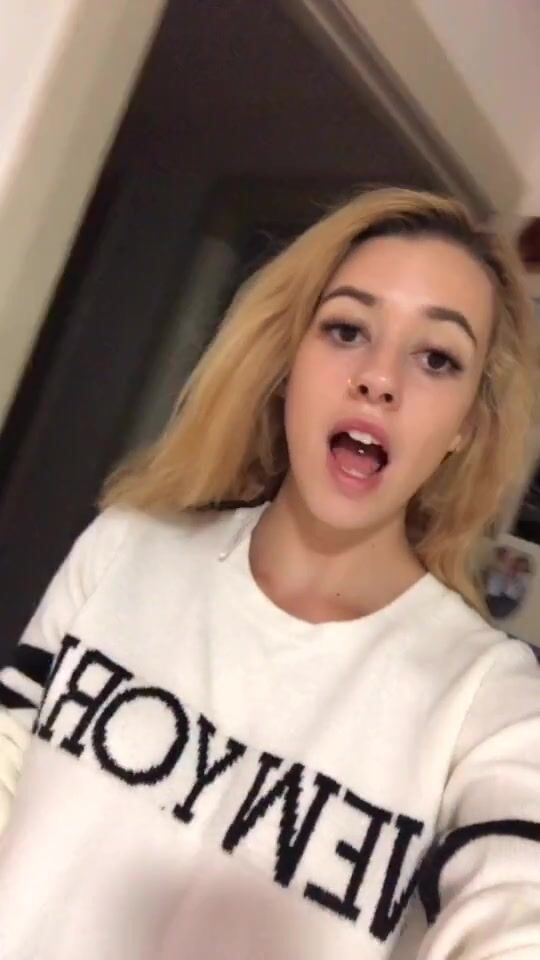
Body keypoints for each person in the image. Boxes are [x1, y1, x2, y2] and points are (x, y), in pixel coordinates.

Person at [0, 187, 539, 960]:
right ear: (290, 362)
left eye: (436, 358)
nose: (379, 378)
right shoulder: (128, 545)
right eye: (347, 330)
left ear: (465, 426)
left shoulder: (492, 701)